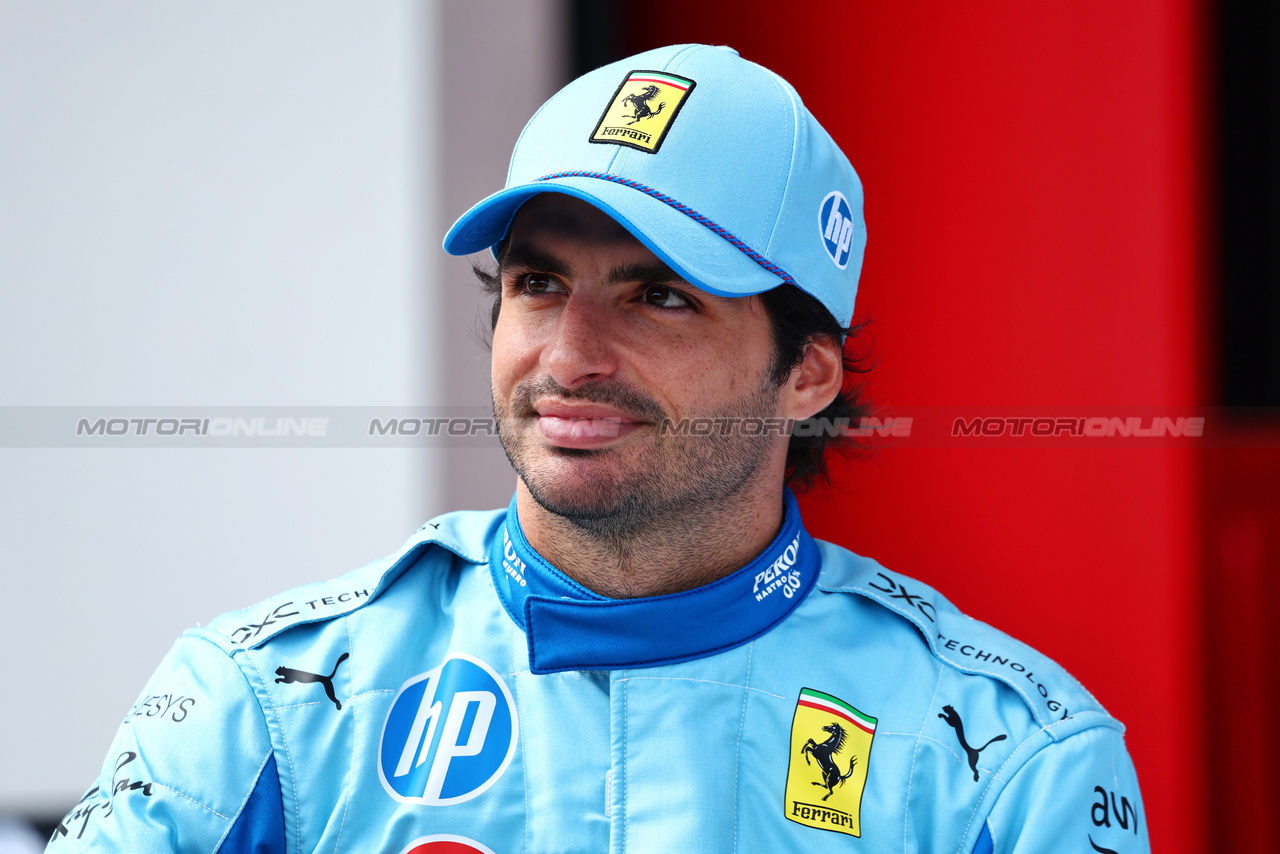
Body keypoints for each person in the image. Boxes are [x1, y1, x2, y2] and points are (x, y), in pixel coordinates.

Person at [48, 44, 1149, 854]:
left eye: (658, 296)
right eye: (537, 284)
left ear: (806, 369)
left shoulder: (1010, 759)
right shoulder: (266, 700)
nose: (570, 354)